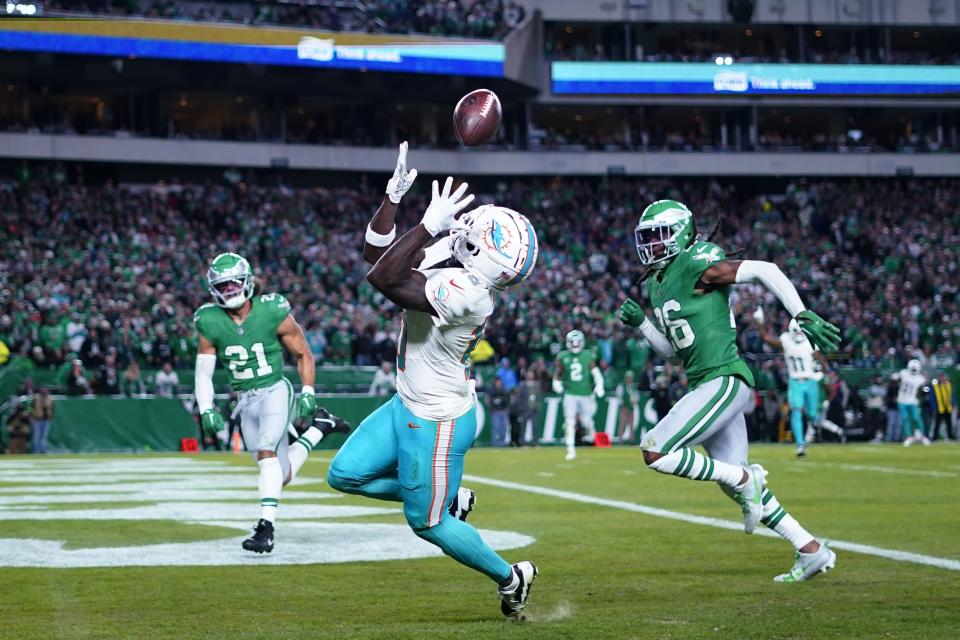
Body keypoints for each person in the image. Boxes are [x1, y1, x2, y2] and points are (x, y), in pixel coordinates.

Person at [327, 143, 538, 618]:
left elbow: (382, 280)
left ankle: (512, 578)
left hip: (437, 418)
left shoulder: (469, 293)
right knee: (344, 474)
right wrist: (393, 199)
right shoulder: (462, 269)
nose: (469, 231)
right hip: (409, 402)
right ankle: (451, 496)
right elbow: (373, 255)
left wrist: (427, 225)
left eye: (479, 233)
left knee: (426, 523)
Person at [619, 198, 841, 582]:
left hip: (723, 379)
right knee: (735, 485)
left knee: (655, 450)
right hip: (707, 382)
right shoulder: (658, 283)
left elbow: (764, 269)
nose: (651, 246)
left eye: (659, 237)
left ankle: (745, 479)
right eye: (648, 238)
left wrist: (799, 312)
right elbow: (674, 350)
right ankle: (810, 549)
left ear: (682, 234)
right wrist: (642, 326)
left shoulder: (696, 262)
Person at [193, 252, 349, 553]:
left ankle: (265, 529)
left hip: (275, 389)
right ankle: (320, 428)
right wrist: (206, 409)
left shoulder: (272, 309)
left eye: (233, 284)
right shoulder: (208, 320)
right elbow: (203, 373)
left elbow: (303, 352)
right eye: (223, 286)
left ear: (247, 282)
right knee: (279, 473)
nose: (229, 291)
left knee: (266, 452)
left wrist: (307, 391)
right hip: (244, 399)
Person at [758, 314, 829, 457]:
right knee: (796, 411)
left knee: (812, 414)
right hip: (795, 381)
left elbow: (822, 362)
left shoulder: (807, 342)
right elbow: (765, 338)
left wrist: (821, 366)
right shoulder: (786, 340)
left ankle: (812, 426)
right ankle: (800, 445)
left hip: (810, 381)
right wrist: (760, 321)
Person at [552, 329, 605, 460]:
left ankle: (592, 436)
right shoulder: (563, 356)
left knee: (586, 421)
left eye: (577, 342)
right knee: (569, 421)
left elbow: (596, 373)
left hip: (585, 393)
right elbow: (558, 373)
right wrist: (556, 383)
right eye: (573, 342)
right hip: (570, 393)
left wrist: (600, 385)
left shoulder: (588, 355)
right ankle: (570, 449)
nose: (575, 345)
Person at [898, 359, 929, 446]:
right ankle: (909, 437)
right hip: (902, 400)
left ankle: (922, 436)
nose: (913, 370)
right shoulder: (903, 373)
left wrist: (919, 396)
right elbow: (897, 380)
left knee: (917, 418)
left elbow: (922, 390)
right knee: (905, 419)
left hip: (912, 401)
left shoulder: (920, 379)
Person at [510, 368, 541, 446]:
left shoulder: (537, 385)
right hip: (525, 409)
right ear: (526, 375)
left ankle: (535, 442)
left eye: (532, 374)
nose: (530, 375)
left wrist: (537, 405)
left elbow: (539, 397)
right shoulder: (522, 385)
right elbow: (518, 397)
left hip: (534, 409)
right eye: (529, 374)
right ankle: (522, 442)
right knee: (523, 426)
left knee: (535, 427)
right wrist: (521, 408)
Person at [615, 370, 640, 444]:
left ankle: (631, 440)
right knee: (622, 424)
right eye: (628, 378)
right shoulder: (621, 386)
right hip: (624, 407)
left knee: (632, 424)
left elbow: (637, 396)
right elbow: (618, 395)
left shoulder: (633, 387)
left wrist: (635, 401)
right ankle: (620, 440)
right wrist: (623, 403)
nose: (629, 379)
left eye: (630, 378)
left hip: (631, 408)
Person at [929, 371, 954, 442]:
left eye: (943, 376)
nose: (942, 378)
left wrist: (954, 405)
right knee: (937, 424)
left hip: (948, 407)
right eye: (941, 377)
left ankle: (950, 436)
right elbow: (932, 398)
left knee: (949, 423)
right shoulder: (935, 386)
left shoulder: (948, 385)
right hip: (939, 408)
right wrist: (934, 408)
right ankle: (935, 437)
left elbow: (951, 396)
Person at [487, 377, 511, 446]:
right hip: (495, 412)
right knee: (496, 428)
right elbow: (490, 402)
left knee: (503, 428)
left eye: (499, 382)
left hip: (503, 411)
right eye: (497, 382)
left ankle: (502, 442)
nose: (498, 384)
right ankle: (495, 443)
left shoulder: (504, 390)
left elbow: (507, 400)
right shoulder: (491, 391)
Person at [30, 386, 54, 454]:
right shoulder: (36, 397)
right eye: (42, 389)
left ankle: (43, 450)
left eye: (45, 389)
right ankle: (36, 450)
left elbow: (53, 408)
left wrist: (51, 417)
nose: (44, 390)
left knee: (44, 436)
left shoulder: (49, 398)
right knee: (37, 436)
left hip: (46, 420)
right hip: (37, 419)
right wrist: (31, 416)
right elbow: (30, 407)